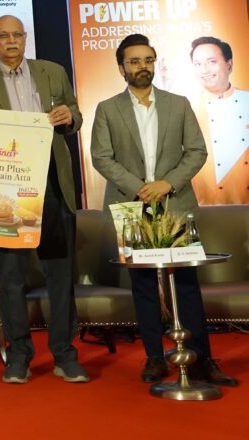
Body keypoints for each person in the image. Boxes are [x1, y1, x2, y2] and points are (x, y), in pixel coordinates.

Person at [90, 33, 238, 387]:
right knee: (142, 284)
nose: (142, 67)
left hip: (175, 204)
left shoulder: (178, 104)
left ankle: (202, 360)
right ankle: (155, 357)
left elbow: (197, 151)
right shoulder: (107, 109)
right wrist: (141, 187)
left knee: (186, 283)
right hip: (131, 207)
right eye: (134, 61)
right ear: (122, 68)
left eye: (148, 60)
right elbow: (101, 157)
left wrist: (167, 184)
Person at [0, 15, 88, 384]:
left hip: (51, 184)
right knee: (12, 278)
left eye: (17, 34)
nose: (11, 41)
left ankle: (64, 354)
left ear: (26, 37)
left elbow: (76, 116)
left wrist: (68, 117)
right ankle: (18, 356)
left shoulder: (52, 71)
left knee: (60, 276)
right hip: (5, 193)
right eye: (3, 36)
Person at [187, 36, 249, 205]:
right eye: (198, 64)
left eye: (211, 62)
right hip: (206, 206)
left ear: (229, 65)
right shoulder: (187, 109)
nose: (204, 70)